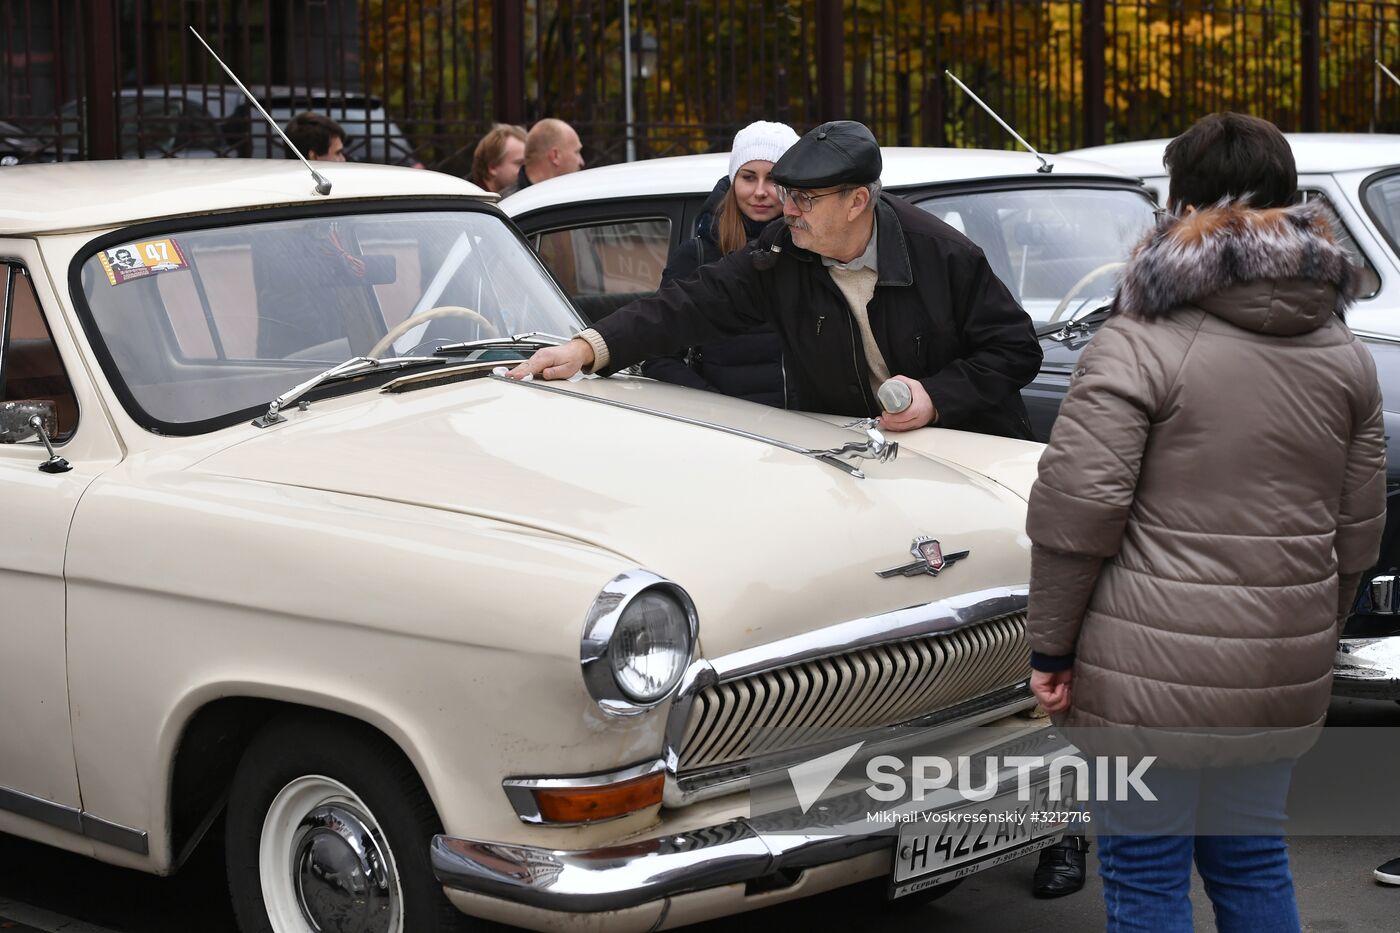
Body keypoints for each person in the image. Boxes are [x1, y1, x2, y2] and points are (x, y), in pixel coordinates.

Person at [1025, 112, 1386, 931]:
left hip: (1144, 674)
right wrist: (1300, 637)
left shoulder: (1138, 340)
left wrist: (1052, 646)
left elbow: (1078, 515)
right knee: (1253, 861)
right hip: (1276, 667)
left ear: (1178, 205)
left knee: (1147, 879)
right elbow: (1357, 532)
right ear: (1294, 207)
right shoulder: (1345, 353)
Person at [507, 120, 1042, 439]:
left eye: (804, 199)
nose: (787, 210)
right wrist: (588, 347)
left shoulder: (942, 253)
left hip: (969, 453)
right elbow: (694, 303)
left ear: (858, 202)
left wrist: (937, 397)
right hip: (863, 463)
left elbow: (1015, 349)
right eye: (789, 195)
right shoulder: (784, 252)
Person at [642, 120, 799, 407]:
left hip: (815, 431)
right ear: (733, 180)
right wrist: (720, 410)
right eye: (748, 177)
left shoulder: (813, 252)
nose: (761, 191)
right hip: (730, 437)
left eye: (774, 179)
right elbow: (658, 357)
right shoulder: (697, 256)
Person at [502, 118, 585, 195]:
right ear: (555, 156)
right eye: (576, 152)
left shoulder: (570, 196)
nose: (582, 162)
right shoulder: (506, 207)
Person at [469, 123, 526, 193]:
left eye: (529, 163)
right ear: (492, 167)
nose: (526, 170)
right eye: (520, 163)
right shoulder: (471, 201)